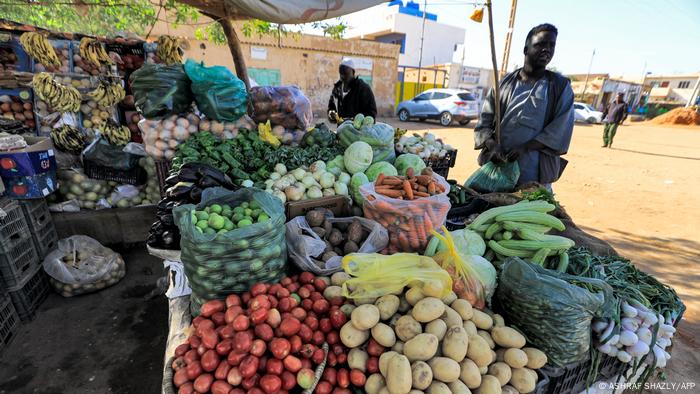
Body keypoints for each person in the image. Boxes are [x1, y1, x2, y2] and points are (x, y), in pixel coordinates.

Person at [474, 23, 574, 188]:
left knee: (526, 211)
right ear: (526, 49)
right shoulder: (503, 84)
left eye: (551, 45)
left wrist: (525, 147)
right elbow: (484, 121)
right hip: (497, 170)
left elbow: (559, 130)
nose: (547, 49)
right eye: (540, 44)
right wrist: (492, 145)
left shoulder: (559, 87)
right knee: (488, 207)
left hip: (533, 175)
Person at [328, 59, 377, 123]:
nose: (342, 77)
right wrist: (332, 113)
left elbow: (372, 113)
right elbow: (332, 107)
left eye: (346, 74)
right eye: (341, 74)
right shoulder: (337, 88)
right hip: (341, 129)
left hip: (358, 131)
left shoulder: (363, 88)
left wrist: (352, 120)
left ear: (353, 72)